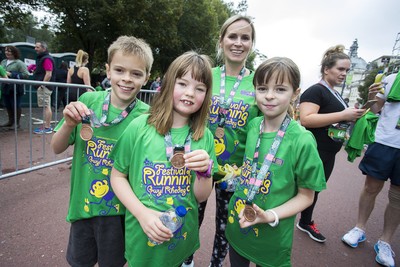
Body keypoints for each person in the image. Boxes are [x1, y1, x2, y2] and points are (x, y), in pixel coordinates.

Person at [50, 35, 154, 267]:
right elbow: (56, 148)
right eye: (119, 70)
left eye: (136, 73)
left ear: (146, 78)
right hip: (83, 208)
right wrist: (68, 124)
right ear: (108, 71)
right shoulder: (87, 102)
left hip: (119, 214)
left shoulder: (148, 118)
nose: (126, 79)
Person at [109, 51, 217, 267]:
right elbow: (117, 176)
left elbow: (201, 196)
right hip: (142, 235)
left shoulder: (204, 137)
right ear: (168, 84)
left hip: (181, 241)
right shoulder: (140, 126)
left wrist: (205, 173)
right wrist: (142, 214)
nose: (190, 93)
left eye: (200, 88)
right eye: (183, 84)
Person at [225, 57, 326, 267]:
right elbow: (250, 165)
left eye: (280, 89)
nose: (269, 96)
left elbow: (307, 196)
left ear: (295, 93)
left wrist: (269, 215)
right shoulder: (253, 126)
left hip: (272, 235)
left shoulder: (302, 140)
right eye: (262, 88)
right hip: (239, 224)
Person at [184, 14, 260, 267]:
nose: (238, 43)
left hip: (234, 172)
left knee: (225, 225)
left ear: (252, 43)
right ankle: (186, 260)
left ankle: (215, 264)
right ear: (222, 40)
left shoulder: (259, 82)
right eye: (233, 36)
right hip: (199, 162)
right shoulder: (206, 74)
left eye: (245, 37)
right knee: (192, 216)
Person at [296, 45, 365, 242]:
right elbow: (307, 119)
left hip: (328, 151)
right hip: (314, 150)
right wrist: (344, 114)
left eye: (347, 70)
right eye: (340, 69)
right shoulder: (316, 91)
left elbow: (333, 119)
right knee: (300, 187)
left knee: (314, 188)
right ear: (327, 69)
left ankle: (305, 221)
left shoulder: (335, 93)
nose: (344, 74)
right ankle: (281, 218)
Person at [342, 72, 400, 267]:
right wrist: (370, 97)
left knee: (398, 196)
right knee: (371, 188)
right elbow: (375, 109)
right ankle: (359, 228)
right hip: (385, 141)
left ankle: (385, 241)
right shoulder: (392, 78)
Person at [0, 45, 29, 129]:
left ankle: (17, 123)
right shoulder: (3, 62)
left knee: (15, 105)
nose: (7, 52)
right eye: (6, 51)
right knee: (7, 104)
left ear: (14, 52)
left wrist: (12, 74)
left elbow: (26, 75)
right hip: (5, 86)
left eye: (9, 51)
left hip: (16, 88)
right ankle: (10, 121)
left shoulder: (19, 63)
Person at [33, 41, 56, 134]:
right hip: (46, 86)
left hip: (45, 87)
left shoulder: (46, 59)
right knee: (46, 106)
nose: (35, 49)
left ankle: (47, 127)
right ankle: (46, 126)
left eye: (37, 47)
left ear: (44, 48)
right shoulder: (45, 58)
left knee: (46, 106)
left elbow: (48, 73)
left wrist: (42, 85)